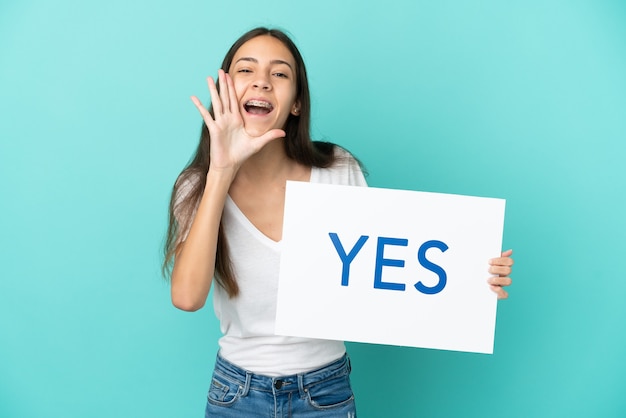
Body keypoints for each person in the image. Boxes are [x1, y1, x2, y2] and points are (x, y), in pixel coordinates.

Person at [163, 27, 514, 417]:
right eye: (246, 70)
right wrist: (221, 171)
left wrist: (472, 274)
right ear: (227, 92)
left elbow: (388, 267)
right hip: (236, 394)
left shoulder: (337, 169)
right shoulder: (197, 185)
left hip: (324, 393)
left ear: (296, 103)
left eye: (280, 74)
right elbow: (187, 297)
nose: (262, 80)